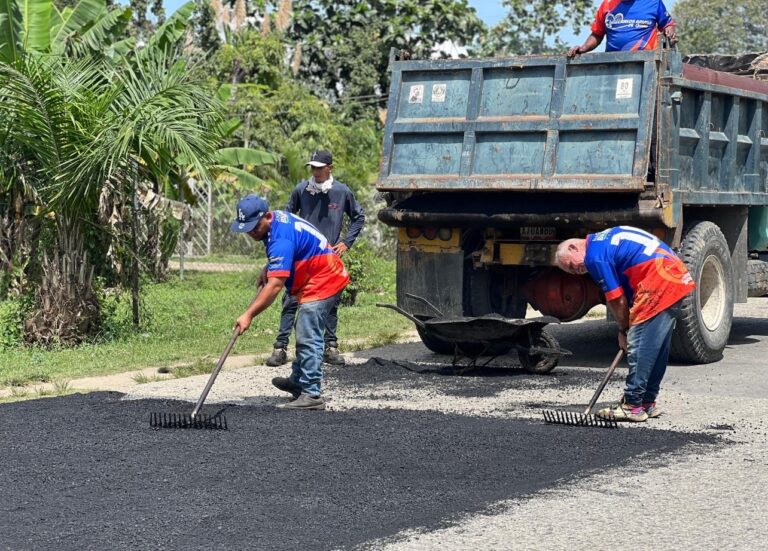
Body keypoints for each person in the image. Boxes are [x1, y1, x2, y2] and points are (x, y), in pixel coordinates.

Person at [555, 226, 695, 422]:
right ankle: (646, 401)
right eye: (571, 271)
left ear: (573, 248)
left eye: (571, 265)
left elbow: (616, 298)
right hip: (673, 275)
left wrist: (624, 329)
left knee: (640, 344)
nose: (577, 271)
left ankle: (633, 405)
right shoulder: (602, 240)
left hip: (657, 280)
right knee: (656, 347)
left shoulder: (594, 256)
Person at [231, 194, 349, 410]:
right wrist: (269, 267)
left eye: (254, 227)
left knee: (308, 334)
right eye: (246, 228)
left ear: (266, 217)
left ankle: (312, 394)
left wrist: (248, 315)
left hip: (324, 279)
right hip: (320, 274)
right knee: (304, 329)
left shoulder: (280, 238)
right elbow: (295, 247)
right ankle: (298, 381)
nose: (250, 233)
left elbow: (275, 286)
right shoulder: (277, 220)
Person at [265, 150, 365, 368]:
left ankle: (330, 347)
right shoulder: (301, 190)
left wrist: (346, 242)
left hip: (326, 257)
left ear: (330, 167)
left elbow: (358, 216)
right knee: (291, 299)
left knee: (330, 302)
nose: (316, 171)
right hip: (300, 257)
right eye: (313, 167)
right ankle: (280, 347)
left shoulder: (341, 191)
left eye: (320, 167)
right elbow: (286, 217)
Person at [567, 0, 677, 57]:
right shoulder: (607, 4)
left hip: (646, 62)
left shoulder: (653, 2)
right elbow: (597, 34)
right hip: (613, 63)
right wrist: (583, 48)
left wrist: (669, 32)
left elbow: (668, 24)